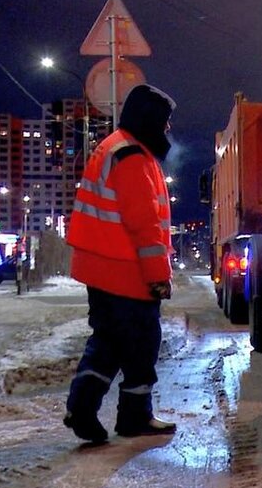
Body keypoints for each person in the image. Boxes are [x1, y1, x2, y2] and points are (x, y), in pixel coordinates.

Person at [62, 84, 179, 444]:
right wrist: (159, 278)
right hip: (124, 272)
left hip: (102, 269)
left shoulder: (116, 148)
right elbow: (145, 227)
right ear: (149, 120)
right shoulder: (132, 157)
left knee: (109, 342)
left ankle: (81, 408)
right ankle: (132, 417)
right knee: (142, 344)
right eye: (164, 122)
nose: (167, 130)